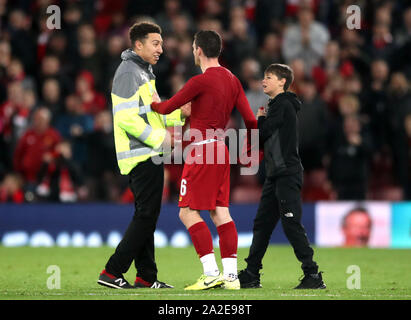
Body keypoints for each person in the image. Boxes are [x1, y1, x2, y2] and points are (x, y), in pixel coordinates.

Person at [151, 30, 257, 290]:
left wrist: (152, 101)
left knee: (187, 212)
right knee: (221, 212)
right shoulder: (233, 80)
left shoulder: (200, 81)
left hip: (202, 151)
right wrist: (253, 151)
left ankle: (210, 272)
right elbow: (251, 120)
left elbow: (166, 108)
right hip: (222, 150)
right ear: (218, 50)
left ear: (197, 50)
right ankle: (231, 278)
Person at [97, 22, 190, 289]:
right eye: (156, 43)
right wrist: (161, 139)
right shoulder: (129, 72)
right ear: (138, 44)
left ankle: (146, 276)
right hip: (142, 153)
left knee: (146, 214)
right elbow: (126, 118)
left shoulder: (142, 72)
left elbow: (152, 113)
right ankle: (111, 271)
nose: (161, 48)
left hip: (147, 152)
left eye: (161, 43)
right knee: (147, 214)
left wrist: (178, 114)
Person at [238, 63, 326, 289]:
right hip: (275, 174)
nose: (263, 80)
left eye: (269, 77)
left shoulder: (283, 103)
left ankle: (313, 274)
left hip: (286, 173)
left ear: (282, 82)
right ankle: (251, 273)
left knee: (290, 223)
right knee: (262, 224)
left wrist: (259, 120)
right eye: (263, 77)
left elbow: (263, 134)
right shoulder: (278, 105)